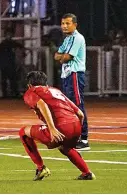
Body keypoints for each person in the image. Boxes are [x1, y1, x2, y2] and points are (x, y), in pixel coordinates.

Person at [20, 71, 95, 181]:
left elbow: (42, 104)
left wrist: (52, 128)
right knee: (65, 147)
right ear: (45, 84)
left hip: (61, 127)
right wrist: (77, 133)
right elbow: (80, 113)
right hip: (76, 126)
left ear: (29, 85)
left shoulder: (31, 91)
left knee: (23, 132)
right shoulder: (55, 90)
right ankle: (87, 173)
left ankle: (41, 168)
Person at [54, 13, 90, 150]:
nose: (64, 26)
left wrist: (62, 57)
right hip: (67, 75)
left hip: (75, 74)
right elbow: (56, 55)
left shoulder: (77, 38)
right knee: (69, 107)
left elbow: (66, 57)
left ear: (75, 24)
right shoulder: (68, 39)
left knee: (78, 105)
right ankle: (73, 136)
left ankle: (84, 138)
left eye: (67, 23)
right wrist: (61, 56)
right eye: (63, 23)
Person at [0, 30, 24, 98]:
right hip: (6, 64)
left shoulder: (9, 43)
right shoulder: (4, 44)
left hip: (10, 64)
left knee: (12, 80)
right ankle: (7, 94)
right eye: (8, 34)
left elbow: (20, 46)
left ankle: (12, 93)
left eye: (10, 34)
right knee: (6, 80)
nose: (9, 36)